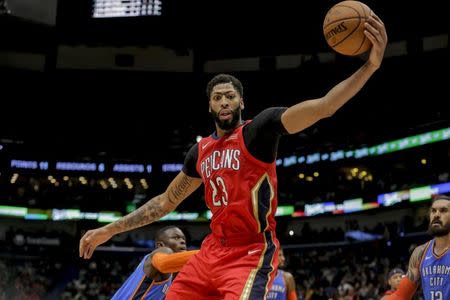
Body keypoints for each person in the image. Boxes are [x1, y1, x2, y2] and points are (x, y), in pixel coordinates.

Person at [80, 12, 387, 299]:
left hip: (251, 252)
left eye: (230, 96)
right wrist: (108, 230)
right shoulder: (199, 153)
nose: (224, 101)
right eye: (217, 97)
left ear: (242, 102)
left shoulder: (260, 131)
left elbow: (324, 107)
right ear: (210, 106)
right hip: (211, 251)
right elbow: (163, 203)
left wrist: (369, 66)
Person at [387, 195, 450, 300]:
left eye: (443, 211)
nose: (437, 215)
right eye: (433, 211)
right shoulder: (420, 253)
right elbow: (401, 295)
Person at [111, 226, 198, 300]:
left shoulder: (171, 272)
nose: (182, 241)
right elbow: (163, 262)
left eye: (183, 239)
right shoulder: (163, 251)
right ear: (160, 245)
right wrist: (206, 253)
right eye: (176, 237)